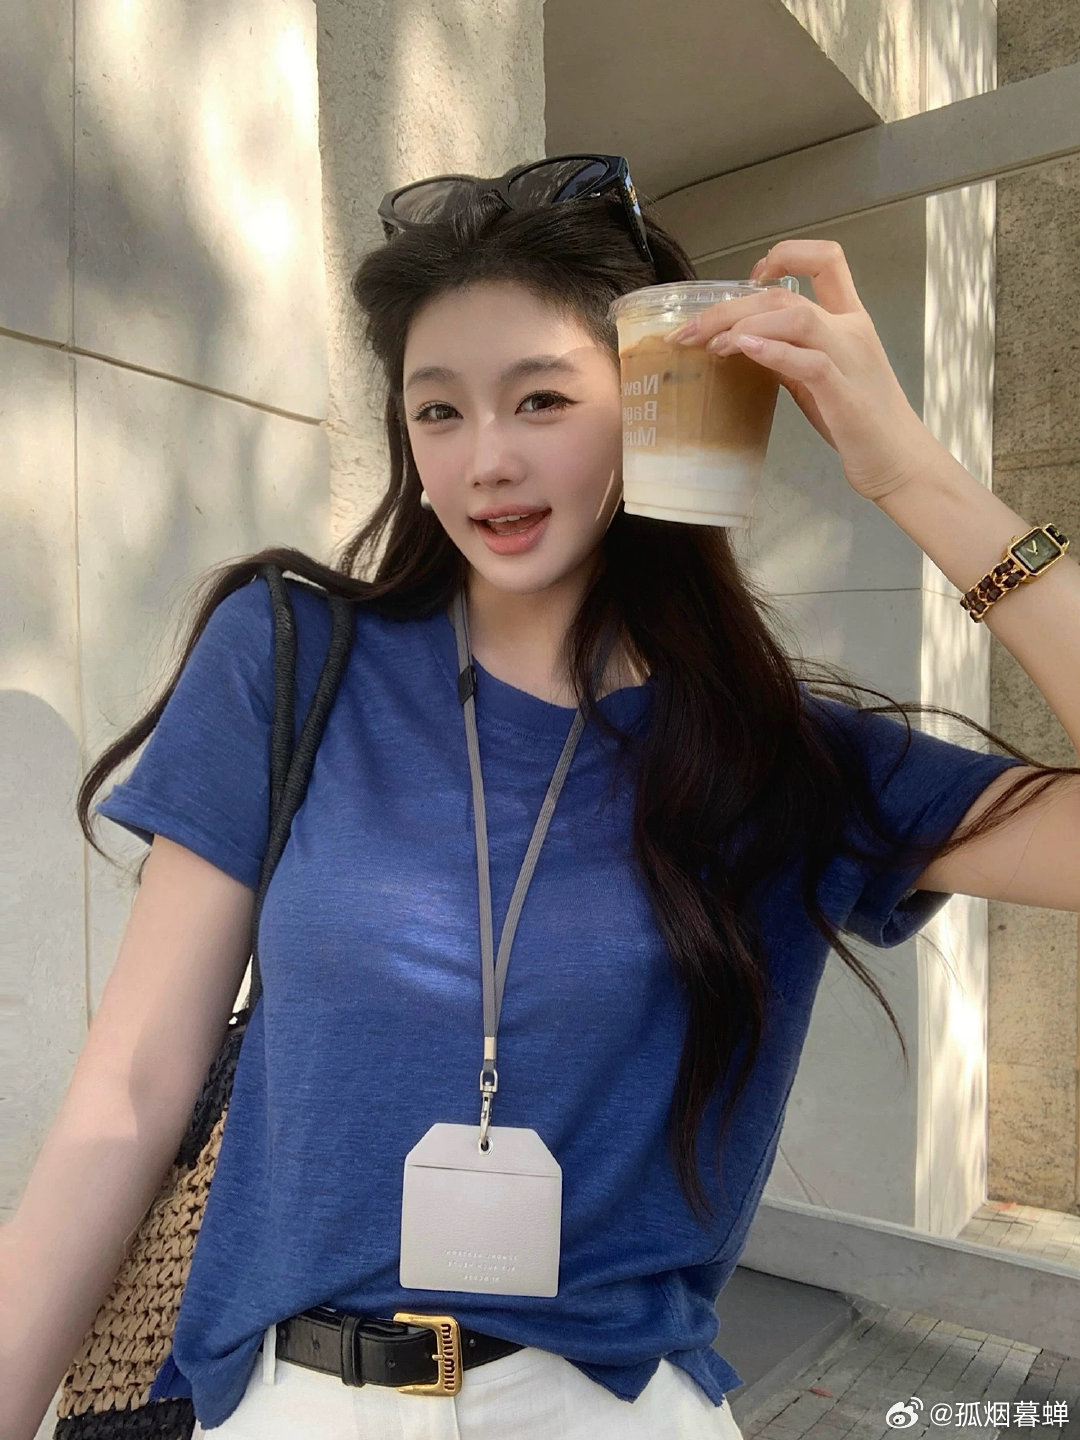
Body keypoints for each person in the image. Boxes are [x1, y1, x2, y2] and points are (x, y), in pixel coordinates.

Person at [4, 154, 1079, 1440]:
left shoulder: (778, 759)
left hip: (611, 1409)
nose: (487, 461)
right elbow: (132, 1088)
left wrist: (913, 475)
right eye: (438, 411)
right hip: (297, 1401)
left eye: (543, 400)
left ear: (648, 408)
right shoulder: (289, 661)